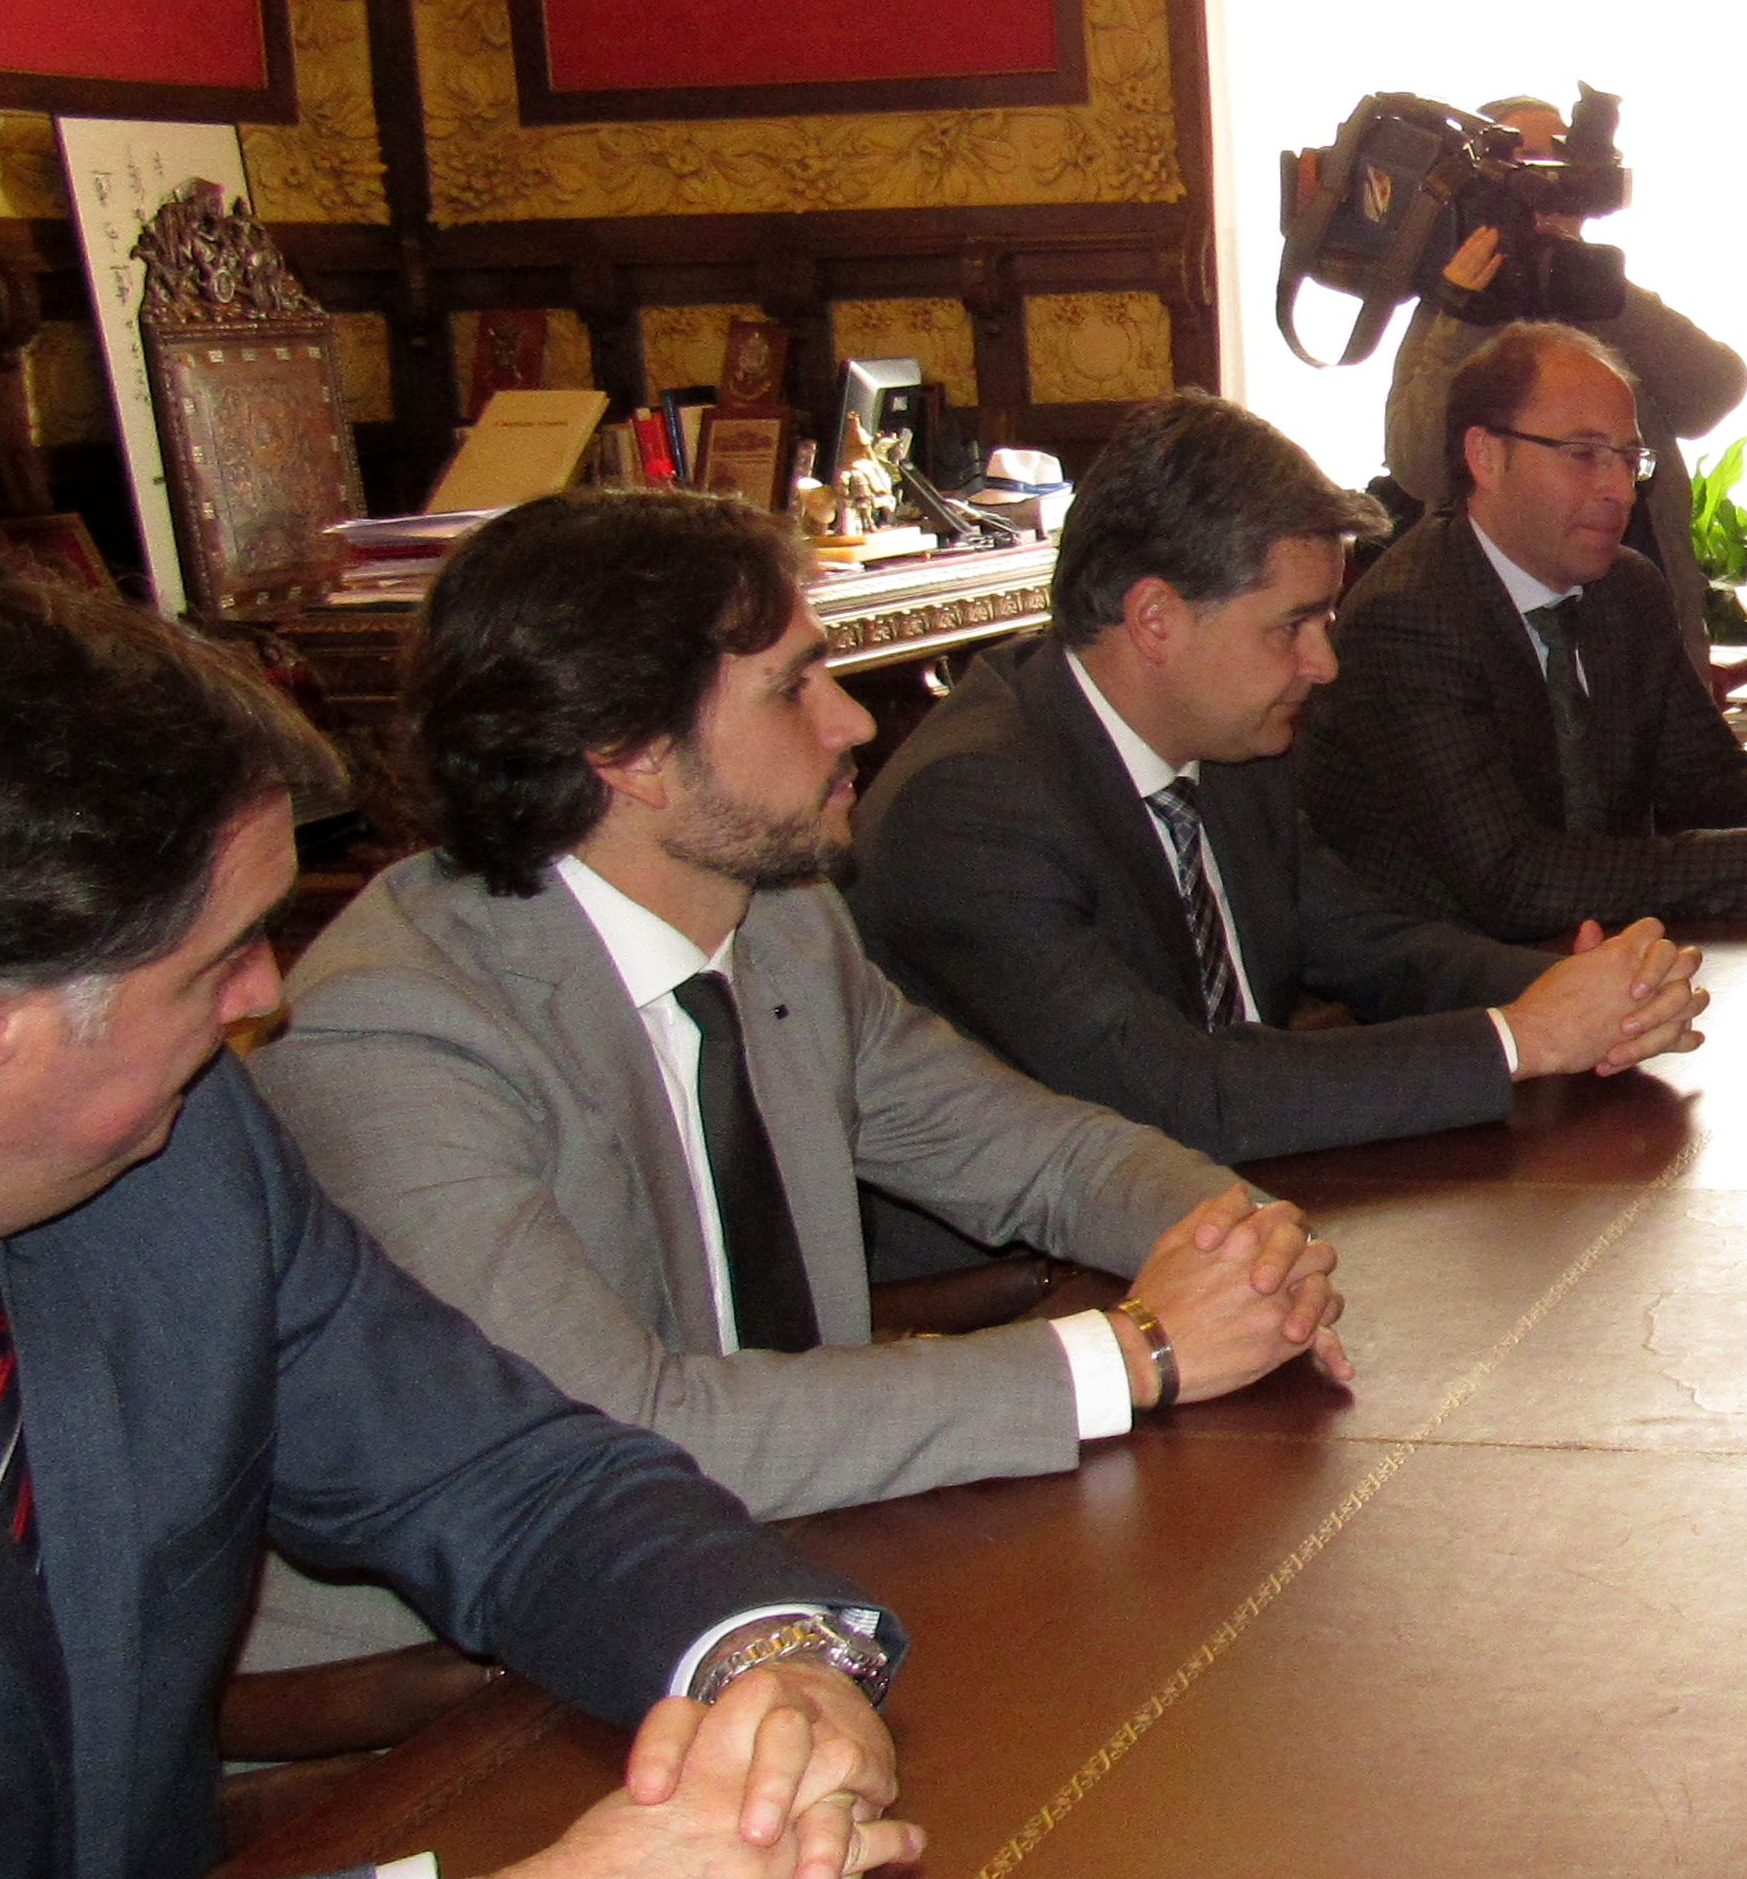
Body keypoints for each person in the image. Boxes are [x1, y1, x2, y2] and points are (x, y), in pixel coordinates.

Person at [0, 571, 925, 1879]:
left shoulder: (174, 1158)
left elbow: (498, 1469)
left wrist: (764, 1658)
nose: (265, 1002)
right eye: (217, 960)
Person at [247, 491, 1343, 1673]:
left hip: (792, 1559)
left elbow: (1050, 1158)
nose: (851, 720)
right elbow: (618, 1435)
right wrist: (1134, 1355)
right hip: (456, 1687)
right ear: (629, 755)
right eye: (791, 686)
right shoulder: (398, 1032)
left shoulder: (780, 923)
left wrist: (1244, 1247)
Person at [852, 394, 1704, 1220]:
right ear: (1155, 618)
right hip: (1036, 1276)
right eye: (1292, 626)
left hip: (1253, 1206)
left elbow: (1372, 946)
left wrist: (1588, 995)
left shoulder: (1228, 738)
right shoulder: (971, 812)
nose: (1323, 663)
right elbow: (1176, 1095)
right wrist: (1523, 1038)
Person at [1308, 321, 1747, 931]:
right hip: (1444, 977)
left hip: (1604, 956)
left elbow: (1707, 774)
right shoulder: (1410, 616)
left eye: (1631, 459)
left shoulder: (1626, 588)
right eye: (1583, 455)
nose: (1620, 490)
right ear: (1486, 456)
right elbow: (1511, 878)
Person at [1375, 92, 1747, 584]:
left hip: (1644, 603)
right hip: (1503, 609)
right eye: (1528, 164)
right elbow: (1421, 468)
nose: (1550, 183)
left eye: (1563, 163)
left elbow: (1714, 393)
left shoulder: (1606, 299)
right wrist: (1465, 312)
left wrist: (1597, 287)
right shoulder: (1455, 309)